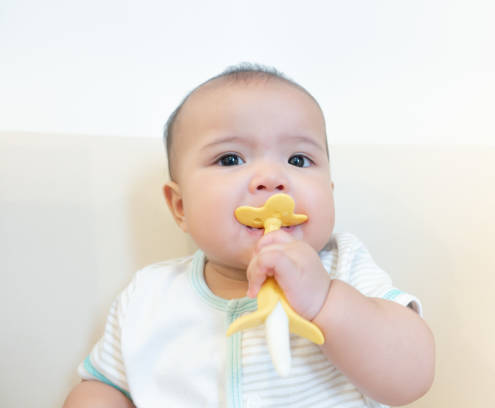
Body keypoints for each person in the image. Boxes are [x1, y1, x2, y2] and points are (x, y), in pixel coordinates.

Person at [63, 64, 435, 408]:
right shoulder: (148, 295)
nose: (272, 179)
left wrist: (324, 300)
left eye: (299, 160)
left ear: (330, 191)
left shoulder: (345, 269)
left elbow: (412, 376)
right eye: (230, 159)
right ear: (180, 207)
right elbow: (104, 386)